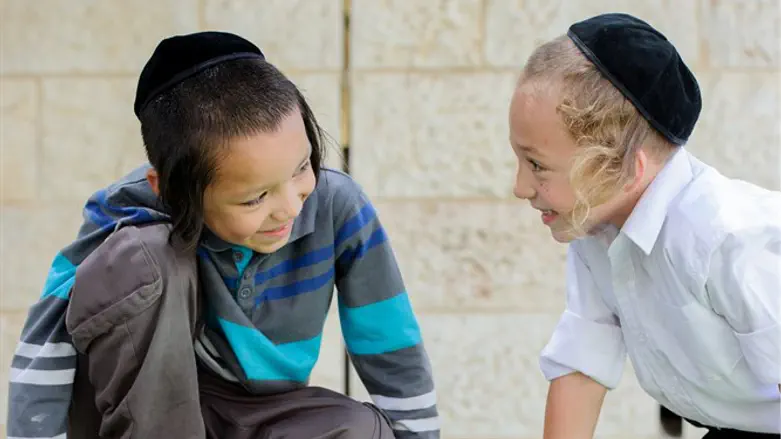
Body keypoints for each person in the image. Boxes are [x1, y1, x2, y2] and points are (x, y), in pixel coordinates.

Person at [7, 31, 440, 439]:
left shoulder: (336, 204)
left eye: (301, 169)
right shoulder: (126, 208)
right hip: (146, 411)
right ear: (174, 191)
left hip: (261, 412)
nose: (290, 206)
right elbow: (47, 335)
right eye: (255, 198)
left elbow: (389, 340)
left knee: (360, 429)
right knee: (149, 252)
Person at [508, 13, 780, 439]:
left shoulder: (725, 238)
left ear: (625, 170)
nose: (520, 187)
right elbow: (583, 365)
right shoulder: (596, 235)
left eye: (537, 166)